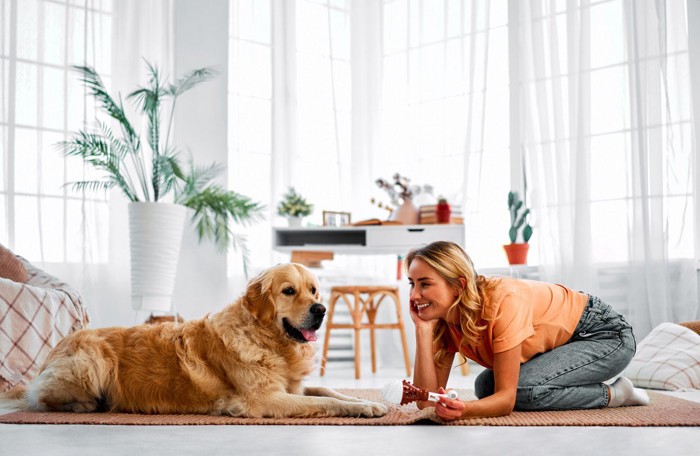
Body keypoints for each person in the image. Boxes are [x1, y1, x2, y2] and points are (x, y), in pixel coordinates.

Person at [406, 241, 649, 421]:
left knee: (521, 391)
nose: (414, 295)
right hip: (562, 344)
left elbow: (506, 401)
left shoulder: (502, 301)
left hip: (604, 335)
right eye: (412, 283)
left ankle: (616, 394)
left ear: (458, 286)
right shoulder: (442, 316)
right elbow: (425, 401)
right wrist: (422, 330)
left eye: (425, 284)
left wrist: (465, 410)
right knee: (485, 387)